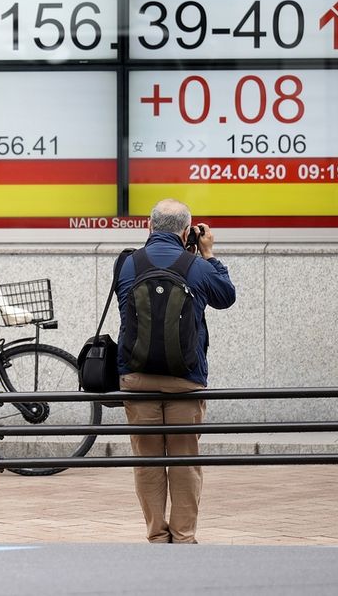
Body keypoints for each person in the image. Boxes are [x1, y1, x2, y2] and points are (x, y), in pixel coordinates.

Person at [116, 198, 236, 544]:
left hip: (136, 377)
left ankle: (156, 535)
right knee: (185, 460)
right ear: (187, 231)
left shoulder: (127, 264)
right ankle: (183, 537)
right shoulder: (196, 266)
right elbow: (226, 296)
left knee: (147, 460)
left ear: (148, 227)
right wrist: (208, 254)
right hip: (186, 380)